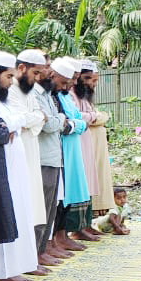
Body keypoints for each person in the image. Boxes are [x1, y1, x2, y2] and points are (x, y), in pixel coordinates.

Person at [0, 51, 38, 281]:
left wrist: (15, 123)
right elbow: (8, 123)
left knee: (16, 212)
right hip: (0, 163)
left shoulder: (2, 98)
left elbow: (18, 121)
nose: (11, 81)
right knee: (2, 213)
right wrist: (14, 124)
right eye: (8, 76)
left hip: (15, 162)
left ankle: (11, 269)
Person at [7, 49, 50, 275]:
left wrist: (34, 118)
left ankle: (28, 260)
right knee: (20, 206)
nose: (37, 78)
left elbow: (38, 118)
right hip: (17, 151)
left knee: (32, 207)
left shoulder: (30, 91)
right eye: (35, 72)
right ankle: (17, 265)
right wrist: (35, 118)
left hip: (31, 149)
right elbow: (20, 119)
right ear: (21, 68)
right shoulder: (10, 91)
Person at [34, 57, 74, 261]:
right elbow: (48, 125)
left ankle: (42, 250)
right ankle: (36, 253)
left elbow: (53, 122)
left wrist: (56, 120)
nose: (65, 87)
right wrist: (60, 120)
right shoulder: (35, 94)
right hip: (42, 159)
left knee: (50, 210)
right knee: (41, 210)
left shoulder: (49, 95)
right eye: (63, 82)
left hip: (54, 158)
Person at [51, 58, 91, 250]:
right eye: (70, 80)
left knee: (69, 194)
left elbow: (77, 121)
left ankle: (62, 235)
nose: (73, 84)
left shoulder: (66, 95)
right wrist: (76, 124)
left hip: (72, 150)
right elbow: (67, 124)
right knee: (60, 196)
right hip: (62, 150)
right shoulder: (56, 95)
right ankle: (56, 238)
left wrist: (75, 124)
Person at [76, 59, 115, 227]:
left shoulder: (85, 96)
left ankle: (87, 224)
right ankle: (79, 227)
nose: (93, 84)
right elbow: (80, 116)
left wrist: (97, 117)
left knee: (93, 183)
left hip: (92, 148)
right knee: (82, 184)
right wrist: (97, 117)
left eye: (95, 80)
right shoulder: (72, 94)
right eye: (90, 79)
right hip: (81, 147)